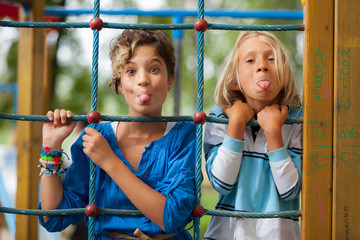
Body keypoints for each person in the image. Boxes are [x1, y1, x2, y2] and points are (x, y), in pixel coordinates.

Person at [38, 29, 196, 240]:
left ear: (170, 80)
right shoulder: (96, 138)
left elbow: (173, 216)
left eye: (154, 69)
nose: (143, 80)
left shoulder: (184, 135)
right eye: (131, 71)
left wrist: (110, 161)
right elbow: (55, 218)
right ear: (119, 84)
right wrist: (51, 146)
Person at [203, 31, 302, 240]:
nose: (262, 65)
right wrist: (236, 124)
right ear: (235, 81)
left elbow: (290, 190)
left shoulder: (296, 120)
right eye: (250, 60)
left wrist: (274, 132)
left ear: (283, 75)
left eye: (271, 59)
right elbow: (221, 183)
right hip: (227, 234)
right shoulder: (219, 116)